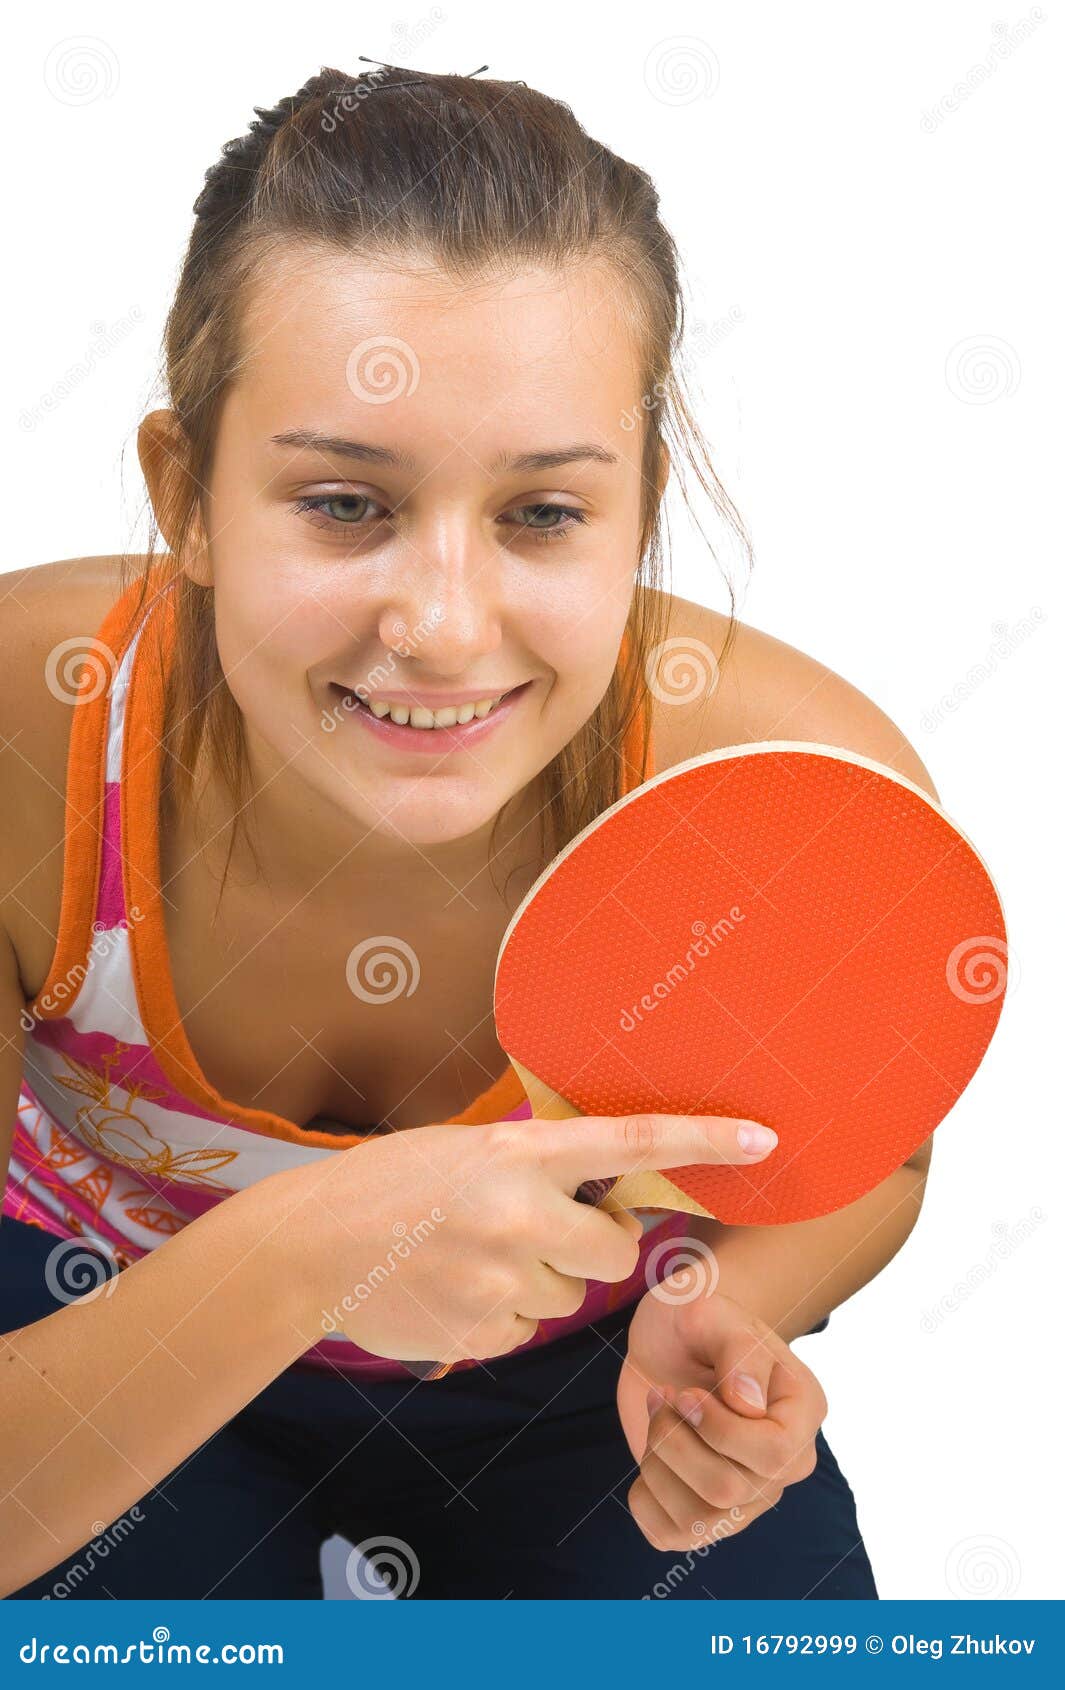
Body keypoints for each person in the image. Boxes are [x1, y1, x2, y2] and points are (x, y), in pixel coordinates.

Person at [0, 64, 933, 1600]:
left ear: (639, 514)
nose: (439, 625)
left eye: (543, 515)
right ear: (191, 498)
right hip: (105, 1322)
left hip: (577, 1379)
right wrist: (314, 1250)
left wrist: (717, 1303)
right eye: (344, 505)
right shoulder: (31, 737)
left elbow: (871, 1150)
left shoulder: (788, 781)